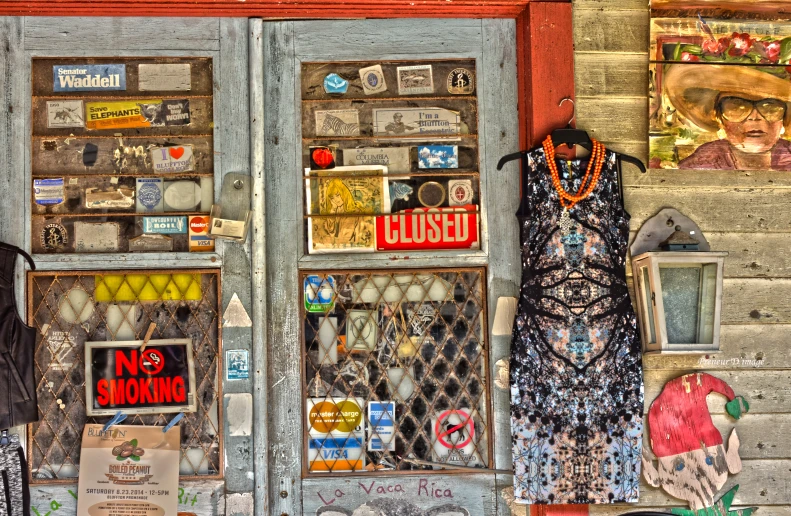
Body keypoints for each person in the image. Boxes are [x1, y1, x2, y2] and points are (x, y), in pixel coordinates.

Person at [663, 64, 791, 170]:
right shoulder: (703, 162)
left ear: (784, 119)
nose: (754, 117)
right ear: (719, 117)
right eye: (736, 107)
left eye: (770, 107)